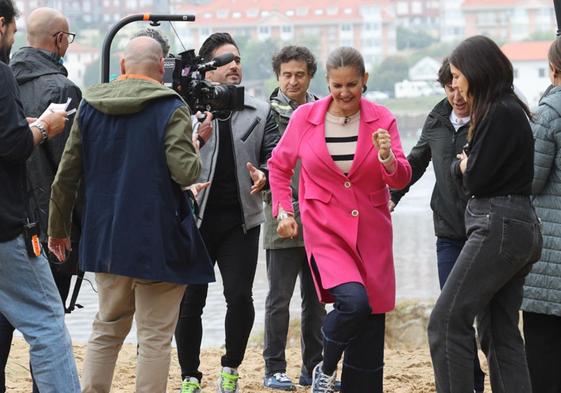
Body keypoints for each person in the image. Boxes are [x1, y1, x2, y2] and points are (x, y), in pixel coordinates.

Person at [48, 36, 214, 393]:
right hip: (160, 240)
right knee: (154, 338)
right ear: (160, 69)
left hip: (107, 239)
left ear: (122, 67)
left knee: (106, 329)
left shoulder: (91, 105)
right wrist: (197, 143)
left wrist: (57, 230)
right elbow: (186, 173)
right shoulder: (171, 106)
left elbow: (66, 176)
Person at [268, 46, 412, 393]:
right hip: (325, 229)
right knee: (353, 303)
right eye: (337, 86)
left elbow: (401, 178)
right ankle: (326, 365)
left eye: (352, 85)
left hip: (372, 232)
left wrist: (387, 158)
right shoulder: (306, 117)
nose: (345, 93)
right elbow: (278, 166)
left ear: (365, 81)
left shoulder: (382, 118)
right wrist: (284, 211)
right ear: (327, 83)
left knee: (371, 319)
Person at [427, 35, 542, 393]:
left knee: (445, 322)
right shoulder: (509, 109)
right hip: (517, 225)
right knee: (499, 331)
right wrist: (466, 167)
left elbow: (474, 177)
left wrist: (462, 168)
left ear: (476, 73)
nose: (456, 84)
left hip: (498, 225)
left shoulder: (497, 112)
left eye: (459, 75)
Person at [174, 32, 280, 393]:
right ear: (207, 70)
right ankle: (190, 375)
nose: (234, 66)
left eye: (237, 60)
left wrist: (265, 173)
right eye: (224, 61)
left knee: (239, 297)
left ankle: (230, 368)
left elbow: (275, 156)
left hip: (242, 222)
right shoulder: (182, 110)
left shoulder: (259, 110)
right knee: (191, 301)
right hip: (195, 220)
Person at [389, 58, 485, 392]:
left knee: (485, 319)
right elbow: (415, 162)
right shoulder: (437, 117)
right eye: (449, 88)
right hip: (448, 230)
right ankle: (470, 381)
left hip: (484, 230)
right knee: (452, 313)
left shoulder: (488, 116)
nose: (456, 96)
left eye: (460, 88)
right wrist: (392, 197)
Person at [0, 1, 80, 392]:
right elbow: (72, 169)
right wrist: (45, 127)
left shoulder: (10, 77)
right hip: (26, 225)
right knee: (48, 322)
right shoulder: (61, 88)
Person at [262, 45, 327, 391]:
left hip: (319, 220)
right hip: (281, 218)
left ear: (310, 76)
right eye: (286, 74)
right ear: (278, 76)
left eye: (299, 74)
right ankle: (274, 368)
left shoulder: (324, 112)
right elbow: (263, 162)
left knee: (317, 301)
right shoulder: (266, 114)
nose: (293, 81)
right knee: (279, 299)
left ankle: (314, 369)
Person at [521, 36, 561, 393]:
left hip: (551, 253)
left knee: (544, 347)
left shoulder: (549, 112)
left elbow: (530, 179)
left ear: (553, 69)